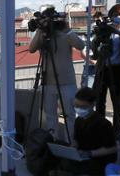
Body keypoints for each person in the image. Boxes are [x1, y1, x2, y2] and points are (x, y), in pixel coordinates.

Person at [29, 15, 85, 143]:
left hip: (67, 82)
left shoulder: (65, 34)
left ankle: (70, 142)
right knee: (50, 114)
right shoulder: (43, 36)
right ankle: (52, 140)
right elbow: (31, 49)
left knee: (69, 114)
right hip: (48, 81)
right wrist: (40, 29)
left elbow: (80, 45)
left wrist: (67, 29)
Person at [92, 4, 120, 139]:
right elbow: (94, 47)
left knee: (117, 101)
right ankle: (100, 128)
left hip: (118, 68)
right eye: (114, 15)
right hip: (103, 67)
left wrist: (119, 32)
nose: (117, 17)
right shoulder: (105, 29)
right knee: (99, 100)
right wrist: (100, 35)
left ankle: (116, 131)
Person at [57, 87, 117, 176]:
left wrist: (89, 154)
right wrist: (72, 148)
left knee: (79, 165)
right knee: (57, 147)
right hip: (82, 155)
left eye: (83, 106)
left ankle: (64, 170)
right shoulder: (78, 120)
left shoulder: (103, 124)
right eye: (76, 106)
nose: (79, 109)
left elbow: (112, 149)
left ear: (92, 105)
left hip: (99, 159)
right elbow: (77, 140)